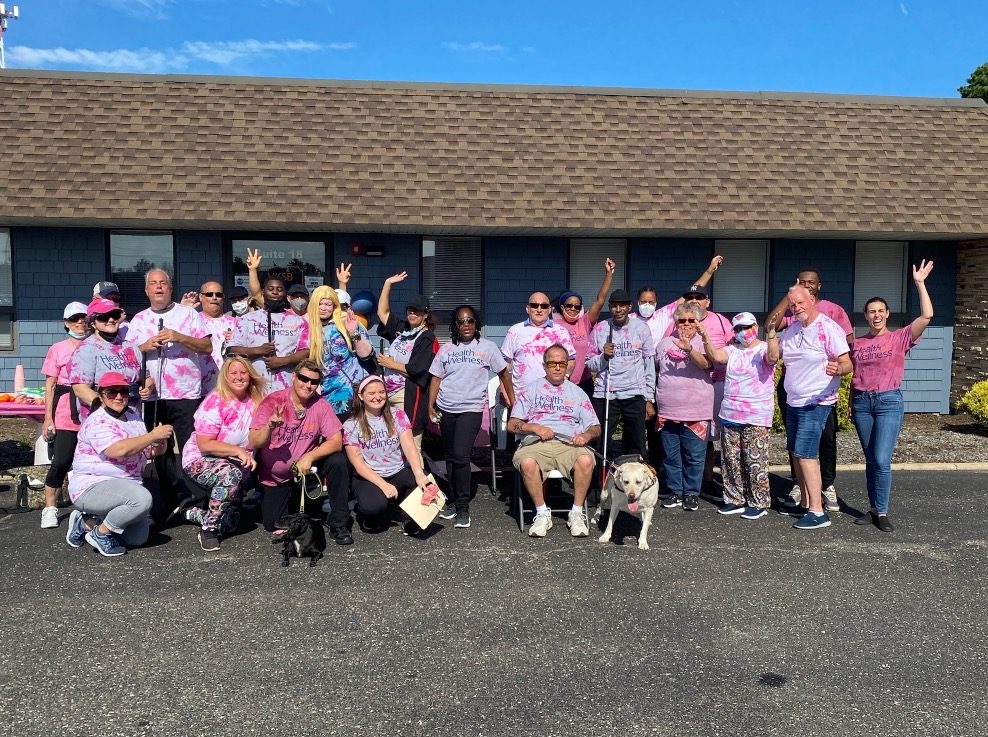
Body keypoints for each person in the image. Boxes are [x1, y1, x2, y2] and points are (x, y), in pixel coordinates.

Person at [851, 260, 934, 533]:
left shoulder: (900, 338)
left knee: (881, 459)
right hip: (862, 403)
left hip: (888, 402)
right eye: (871, 311)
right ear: (865, 315)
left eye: (880, 311)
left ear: (887, 314)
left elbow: (927, 317)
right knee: (869, 459)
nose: (876, 315)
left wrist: (920, 283)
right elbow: (852, 374)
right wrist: (852, 404)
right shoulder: (858, 343)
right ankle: (873, 507)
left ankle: (883, 511)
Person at [128, 269, 213, 514]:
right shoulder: (139, 320)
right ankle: (172, 496)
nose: (158, 287)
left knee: (190, 445)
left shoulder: (188, 314)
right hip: (153, 396)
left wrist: (178, 336)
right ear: (146, 291)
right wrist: (145, 346)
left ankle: (198, 497)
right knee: (159, 448)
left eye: (163, 283)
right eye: (153, 284)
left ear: (170, 288)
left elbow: (206, 346)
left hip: (185, 392)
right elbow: (129, 356)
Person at [769, 268, 854, 511]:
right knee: (796, 452)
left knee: (807, 454)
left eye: (801, 303)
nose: (796, 308)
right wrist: (772, 336)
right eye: (793, 304)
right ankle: (805, 503)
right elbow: (775, 356)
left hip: (817, 400)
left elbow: (847, 362)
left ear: (813, 299)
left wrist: (837, 368)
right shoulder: (794, 329)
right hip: (794, 400)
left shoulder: (828, 327)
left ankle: (817, 510)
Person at [63, 372, 173, 557]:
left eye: (123, 391)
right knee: (142, 500)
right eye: (112, 392)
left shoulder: (133, 415)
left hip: (126, 486)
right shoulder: (97, 421)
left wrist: (158, 449)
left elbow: (141, 451)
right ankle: (100, 533)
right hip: (92, 486)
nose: (119, 396)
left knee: (137, 537)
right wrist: (152, 435)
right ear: (101, 395)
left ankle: (85, 523)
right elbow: (118, 451)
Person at [427, 305, 514, 529]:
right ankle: (454, 502)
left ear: (477, 323)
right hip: (447, 408)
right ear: (455, 325)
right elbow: (436, 378)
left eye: (470, 321)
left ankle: (464, 508)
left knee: (461, 455)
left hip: (471, 408)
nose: (466, 325)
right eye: (461, 322)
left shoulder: (488, 347)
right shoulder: (446, 350)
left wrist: (513, 401)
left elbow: (504, 373)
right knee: (449, 457)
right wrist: (430, 406)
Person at [248, 360, 353, 545]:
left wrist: (310, 456)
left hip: (305, 468)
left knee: (337, 461)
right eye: (304, 378)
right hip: (275, 476)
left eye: (314, 382)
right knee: (274, 524)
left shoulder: (320, 405)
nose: (308, 385)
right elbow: (254, 441)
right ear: (294, 377)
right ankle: (293, 501)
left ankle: (339, 523)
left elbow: (336, 442)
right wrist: (269, 427)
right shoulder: (273, 401)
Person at [632, 254, 723, 468]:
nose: (647, 305)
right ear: (637, 303)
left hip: (663, 373)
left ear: (656, 302)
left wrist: (710, 270)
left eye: (650, 301)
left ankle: (662, 473)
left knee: (660, 427)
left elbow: (692, 295)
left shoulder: (665, 314)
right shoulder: (632, 320)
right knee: (643, 428)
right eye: (643, 302)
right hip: (640, 376)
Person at [508, 344, 601, 538]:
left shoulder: (577, 393)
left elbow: (595, 427)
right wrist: (534, 428)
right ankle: (542, 513)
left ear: (567, 366)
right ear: (544, 366)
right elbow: (512, 424)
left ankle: (576, 513)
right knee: (527, 462)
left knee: (586, 460)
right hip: (535, 444)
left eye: (562, 363)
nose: (557, 367)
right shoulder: (531, 389)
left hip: (568, 444)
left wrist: (586, 436)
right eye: (552, 363)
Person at [699, 311, 779, 520]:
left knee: (755, 460)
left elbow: (772, 358)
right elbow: (716, 357)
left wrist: (771, 334)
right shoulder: (732, 350)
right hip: (730, 413)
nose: (744, 332)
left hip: (756, 414)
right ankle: (734, 498)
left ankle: (758, 501)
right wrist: (706, 338)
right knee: (730, 460)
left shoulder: (763, 348)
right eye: (739, 329)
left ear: (755, 327)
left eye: (747, 327)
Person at [181, 356, 265, 551]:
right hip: (201, 458)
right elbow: (205, 443)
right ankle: (208, 529)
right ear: (225, 377)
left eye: (243, 372)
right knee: (229, 477)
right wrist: (237, 450)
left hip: (236, 462)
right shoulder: (215, 401)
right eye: (233, 373)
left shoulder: (256, 399)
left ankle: (191, 512)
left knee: (231, 522)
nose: (239, 377)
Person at [344, 375, 437, 535]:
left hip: (398, 470)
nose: (377, 397)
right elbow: (358, 465)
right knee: (374, 508)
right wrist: (383, 485)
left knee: (426, 486)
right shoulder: (351, 425)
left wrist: (419, 474)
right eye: (371, 393)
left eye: (381, 392)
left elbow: (409, 445)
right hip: (370, 476)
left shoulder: (397, 415)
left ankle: (409, 516)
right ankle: (368, 512)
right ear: (361, 396)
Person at [654, 302, 713, 511]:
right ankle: (675, 492)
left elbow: (707, 364)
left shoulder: (704, 342)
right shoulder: (663, 344)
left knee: (694, 457)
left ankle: (691, 493)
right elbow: (655, 370)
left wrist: (689, 349)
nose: (686, 324)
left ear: (698, 322)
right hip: (668, 410)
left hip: (697, 410)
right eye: (682, 320)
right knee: (671, 456)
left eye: (691, 320)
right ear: (676, 322)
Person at [585, 289, 655, 460]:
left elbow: (649, 365)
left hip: (634, 393)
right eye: (614, 306)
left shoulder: (641, 328)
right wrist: (604, 357)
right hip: (606, 394)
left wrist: (649, 398)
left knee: (636, 442)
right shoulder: (601, 328)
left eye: (622, 306)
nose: (618, 310)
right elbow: (589, 364)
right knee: (600, 441)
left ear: (629, 307)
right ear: (610, 308)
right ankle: (600, 480)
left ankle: (635, 481)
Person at [39, 301, 89, 529]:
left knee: (88, 463)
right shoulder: (57, 349)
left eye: (84, 318)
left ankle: (88, 506)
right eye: (74, 319)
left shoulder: (96, 345)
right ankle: (50, 508)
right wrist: (47, 418)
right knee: (60, 461)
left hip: (90, 410)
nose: (80, 322)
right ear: (66, 323)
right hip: (64, 411)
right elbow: (50, 385)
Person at [376, 273, 439, 453]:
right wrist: (387, 283)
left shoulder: (427, 338)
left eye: (417, 311)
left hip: (407, 397)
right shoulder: (403, 329)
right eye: (410, 310)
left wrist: (390, 363)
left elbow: (419, 372)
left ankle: (422, 481)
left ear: (426, 314)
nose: (412, 313)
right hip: (388, 395)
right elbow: (383, 313)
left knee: (410, 446)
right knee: (393, 445)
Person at [68, 298, 147, 422]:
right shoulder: (85, 350)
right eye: (104, 317)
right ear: (93, 323)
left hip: (132, 419)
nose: (110, 320)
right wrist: (111, 410)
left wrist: (147, 387)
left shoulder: (131, 347)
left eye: (114, 315)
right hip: (101, 422)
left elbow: (147, 378)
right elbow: (80, 389)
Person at [227, 275, 310, 395]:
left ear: (285, 294)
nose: (275, 292)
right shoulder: (247, 320)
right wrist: (257, 350)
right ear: (263, 292)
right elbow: (232, 349)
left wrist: (283, 361)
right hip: (254, 389)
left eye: (279, 289)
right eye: (271, 289)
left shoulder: (299, 321)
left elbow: (306, 351)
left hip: (286, 389)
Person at [306, 285, 374, 419]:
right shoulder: (308, 327)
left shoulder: (345, 322)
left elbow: (366, 355)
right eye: (320, 304)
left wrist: (353, 332)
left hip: (350, 395)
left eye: (328, 304)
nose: (324, 308)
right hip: (325, 397)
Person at [553, 257, 615, 395]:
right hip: (562, 381)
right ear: (562, 307)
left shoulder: (585, 322)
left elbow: (600, 300)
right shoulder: (553, 327)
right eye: (569, 305)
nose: (573, 309)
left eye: (577, 306)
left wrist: (609, 275)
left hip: (584, 381)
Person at [501, 292, 577, 391]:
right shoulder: (515, 331)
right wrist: (504, 391)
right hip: (521, 396)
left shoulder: (561, 331)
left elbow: (571, 360)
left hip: (552, 394)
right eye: (534, 306)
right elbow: (504, 364)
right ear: (528, 309)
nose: (539, 310)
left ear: (549, 309)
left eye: (544, 306)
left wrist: (565, 377)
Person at [197, 280, 238, 394]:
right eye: (209, 294)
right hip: (199, 389)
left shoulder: (236, 323)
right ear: (201, 297)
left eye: (218, 295)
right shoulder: (192, 321)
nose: (214, 298)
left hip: (229, 388)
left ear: (223, 298)